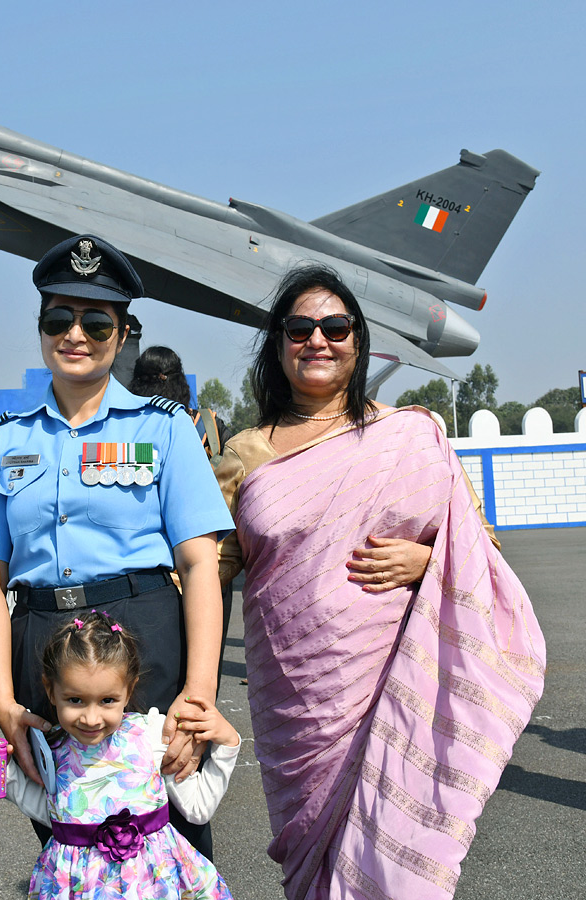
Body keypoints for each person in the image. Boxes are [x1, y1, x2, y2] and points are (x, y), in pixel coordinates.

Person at [213, 264, 546, 899]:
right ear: (277, 344)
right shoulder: (246, 453)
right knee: (316, 864)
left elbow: (484, 549)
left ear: (358, 343)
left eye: (335, 327)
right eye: (300, 327)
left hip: (396, 689)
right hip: (301, 711)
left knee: (398, 871)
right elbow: (205, 573)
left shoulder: (412, 437)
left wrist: (427, 565)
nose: (318, 340)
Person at [0, 234, 234, 860]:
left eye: (95, 322)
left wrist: (198, 697)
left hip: (145, 637)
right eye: (58, 319)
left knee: (168, 836)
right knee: (69, 834)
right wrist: (3, 703)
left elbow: (200, 564)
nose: (75, 334)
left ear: (123, 332)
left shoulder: (164, 430)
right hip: (41, 645)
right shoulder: (4, 444)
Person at [0, 611, 239, 900]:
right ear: (50, 691)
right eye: (75, 700)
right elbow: (54, 815)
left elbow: (198, 808)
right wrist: (5, 774)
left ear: (129, 691)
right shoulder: (50, 749)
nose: (91, 718)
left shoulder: (150, 736)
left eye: (107, 701)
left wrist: (228, 744)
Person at [128, 345, 235, 687]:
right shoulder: (211, 425)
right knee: (203, 670)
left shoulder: (129, 425)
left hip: (147, 572)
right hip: (211, 559)